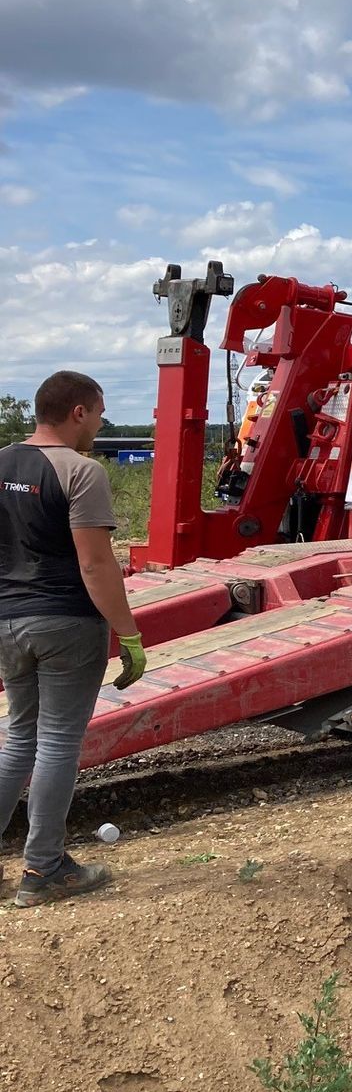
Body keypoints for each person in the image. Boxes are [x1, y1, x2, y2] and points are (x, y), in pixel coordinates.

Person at [0, 371, 147, 906]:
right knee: (59, 742)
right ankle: (43, 871)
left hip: (8, 622)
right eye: (100, 412)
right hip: (65, 622)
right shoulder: (80, 471)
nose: (102, 422)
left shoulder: (1, 461)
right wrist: (129, 635)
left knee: (19, 740)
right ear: (78, 412)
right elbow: (94, 561)